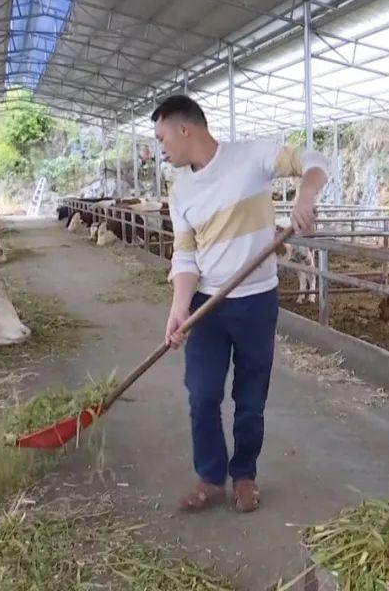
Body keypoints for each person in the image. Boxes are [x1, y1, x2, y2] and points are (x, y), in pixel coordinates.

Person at [152, 95, 328, 513]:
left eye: (162, 138)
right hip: (206, 304)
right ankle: (210, 477)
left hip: (255, 301)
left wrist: (305, 197)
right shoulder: (180, 193)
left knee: (251, 397)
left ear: (184, 129)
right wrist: (180, 308)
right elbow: (186, 255)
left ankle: (244, 475)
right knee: (203, 393)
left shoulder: (251, 157)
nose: (160, 149)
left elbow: (313, 158)